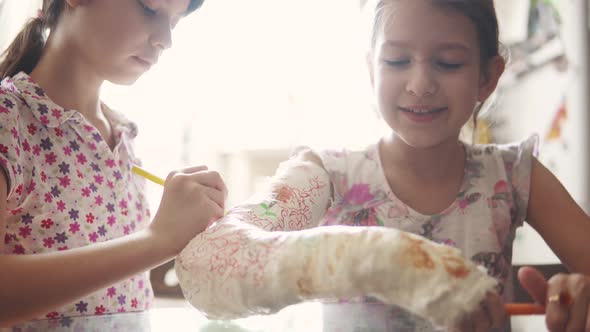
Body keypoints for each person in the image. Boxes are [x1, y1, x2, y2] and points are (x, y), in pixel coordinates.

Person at [175, 0, 590, 331]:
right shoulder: (326, 174)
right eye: (396, 61)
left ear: (488, 77)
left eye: (447, 63)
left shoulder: (515, 175)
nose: (420, 84)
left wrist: (575, 300)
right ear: (370, 71)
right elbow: (212, 264)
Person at [0, 0, 227, 327]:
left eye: (174, 23)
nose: (166, 39)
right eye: (150, 9)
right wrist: (156, 241)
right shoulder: (10, 119)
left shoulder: (124, 138)